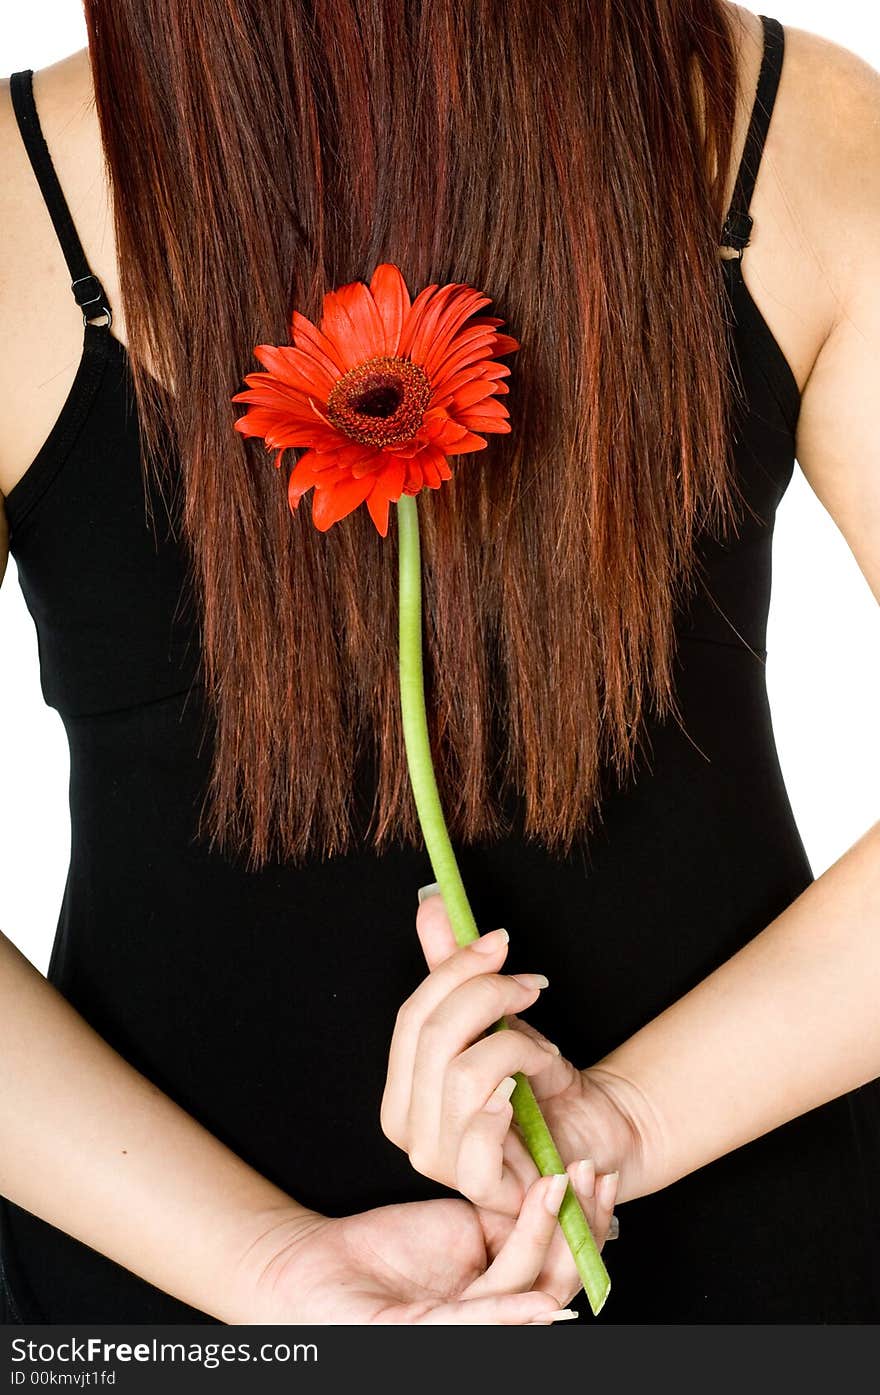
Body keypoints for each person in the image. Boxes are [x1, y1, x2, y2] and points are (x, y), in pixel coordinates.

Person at [0, 1, 878, 1326]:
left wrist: (273, 1273)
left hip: (168, 1290)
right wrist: (267, 1265)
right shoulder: (793, 126)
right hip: (727, 1268)